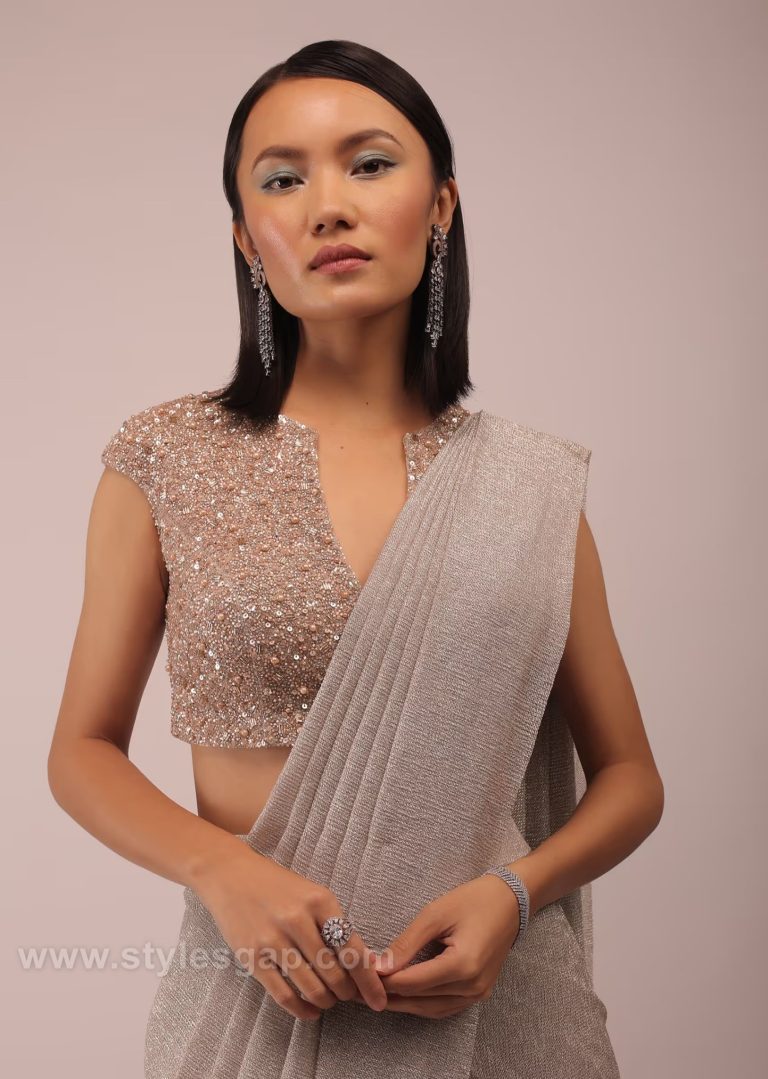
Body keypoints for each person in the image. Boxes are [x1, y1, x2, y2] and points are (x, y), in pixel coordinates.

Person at [48, 39, 663, 1078]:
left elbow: (631, 777)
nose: (328, 206)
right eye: (282, 180)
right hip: (252, 1000)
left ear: (441, 206)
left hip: (502, 1011)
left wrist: (513, 895)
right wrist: (222, 871)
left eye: (370, 164)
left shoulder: (527, 486)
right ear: (246, 236)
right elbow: (81, 750)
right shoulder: (165, 457)